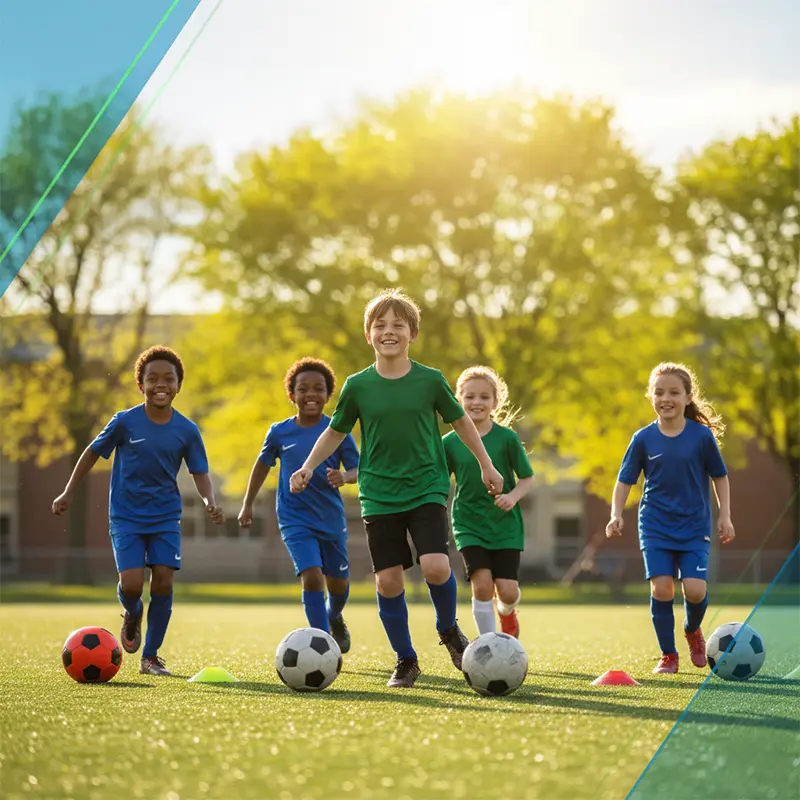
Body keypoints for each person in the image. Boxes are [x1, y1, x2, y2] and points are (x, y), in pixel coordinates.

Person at [289, 288, 505, 688]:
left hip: (426, 486)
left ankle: (447, 629)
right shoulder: (357, 386)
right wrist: (307, 467)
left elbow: (461, 424)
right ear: (368, 335)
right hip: (379, 493)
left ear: (412, 334)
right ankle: (406, 660)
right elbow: (335, 433)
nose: (389, 331)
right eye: (380, 325)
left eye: (398, 325)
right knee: (388, 581)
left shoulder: (430, 380)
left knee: (436, 566)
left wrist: (487, 464)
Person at [52, 346, 225, 676]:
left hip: (165, 516)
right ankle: (133, 613)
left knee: (162, 580)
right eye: (153, 379)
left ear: (178, 385)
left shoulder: (187, 430)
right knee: (132, 584)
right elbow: (91, 453)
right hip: (126, 515)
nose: (161, 384)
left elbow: (200, 473)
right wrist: (68, 491)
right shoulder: (124, 422)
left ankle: (150, 657)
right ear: (140, 385)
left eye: (168, 379)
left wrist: (209, 503)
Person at [605, 361, 735, 674]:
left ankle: (693, 630)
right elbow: (625, 480)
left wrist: (725, 516)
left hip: (693, 526)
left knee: (695, 590)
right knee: (662, 589)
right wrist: (615, 514)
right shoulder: (643, 438)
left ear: (688, 397)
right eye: (659, 392)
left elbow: (720, 477)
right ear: (650, 397)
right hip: (655, 525)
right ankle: (668, 655)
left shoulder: (701, 437)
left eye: (674, 392)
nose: (667, 398)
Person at [238, 357, 359, 652]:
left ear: (329, 395)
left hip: (330, 518)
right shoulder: (279, 432)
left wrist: (343, 476)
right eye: (302, 388)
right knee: (312, 575)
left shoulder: (337, 430)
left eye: (319, 389)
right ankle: (323, 644)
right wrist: (247, 504)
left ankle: (334, 616)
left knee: (339, 584)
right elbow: (261, 467)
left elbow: (359, 469)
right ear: (291, 394)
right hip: (294, 518)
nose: (311, 395)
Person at [444, 366, 535, 638]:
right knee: (481, 585)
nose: (476, 403)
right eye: (469, 397)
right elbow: (438, 477)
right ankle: (488, 643)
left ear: (495, 402)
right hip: (468, 522)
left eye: (484, 397)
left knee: (507, 592)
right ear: (459, 400)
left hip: (505, 525)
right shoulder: (449, 442)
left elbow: (527, 478)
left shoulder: (507, 438)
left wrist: (512, 496)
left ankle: (507, 614)